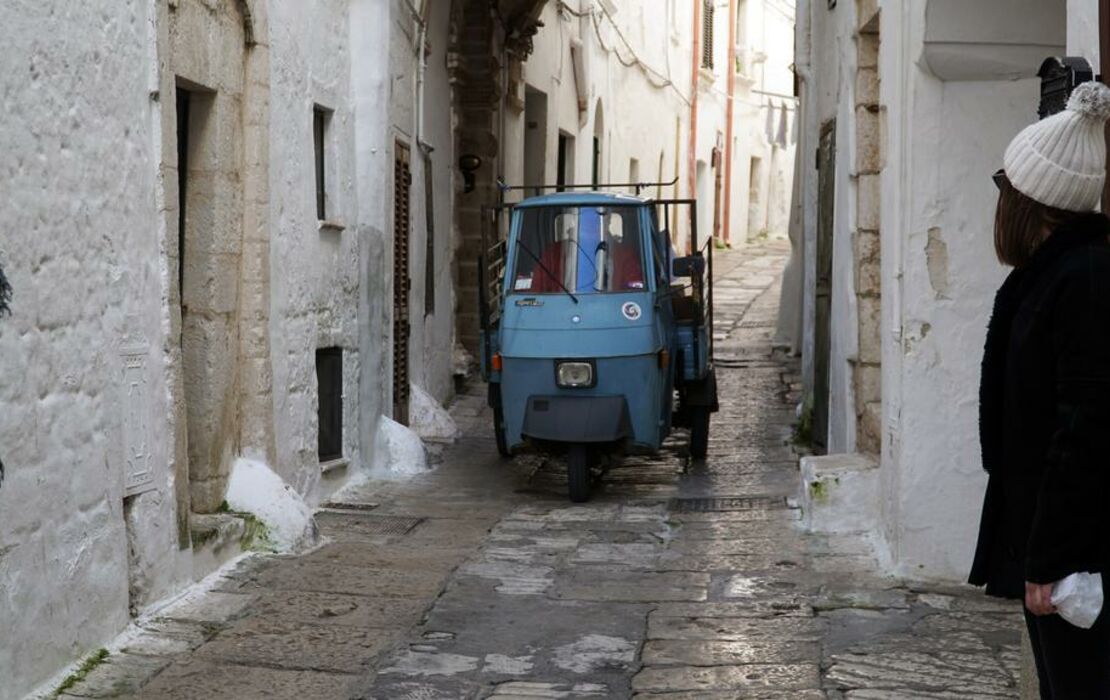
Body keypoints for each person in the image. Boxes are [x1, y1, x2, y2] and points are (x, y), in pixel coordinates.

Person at [970, 80, 1110, 698]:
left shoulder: (1083, 281)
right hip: (1048, 543)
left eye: (1006, 186)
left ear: (1031, 200)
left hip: (1074, 555)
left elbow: (1083, 427)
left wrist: (1051, 559)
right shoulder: (1050, 275)